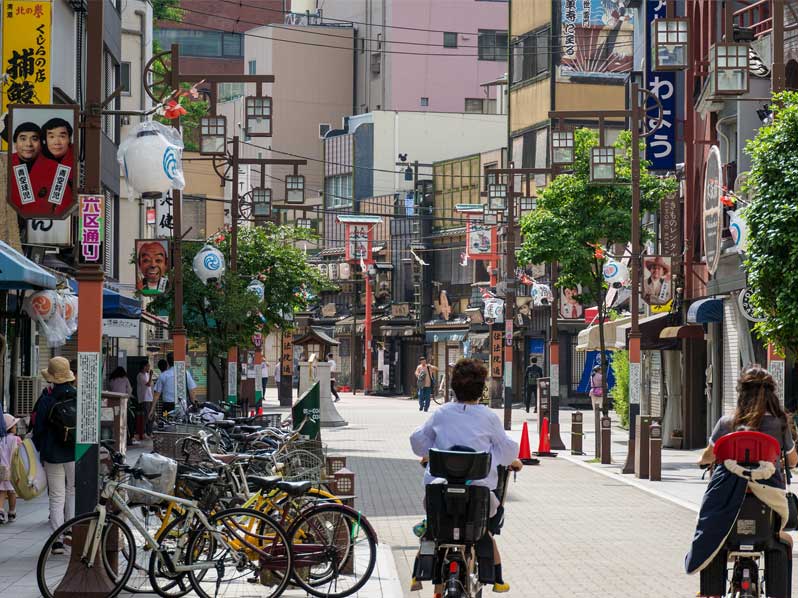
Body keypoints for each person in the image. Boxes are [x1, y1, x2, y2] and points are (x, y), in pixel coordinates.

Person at [410, 358, 523, 594]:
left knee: (435, 531)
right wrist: (506, 459)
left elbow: (418, 441)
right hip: (478, 498)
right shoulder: (488, 416)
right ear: (481, 389)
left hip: (439, 494)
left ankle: (430, 583)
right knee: (485, 532)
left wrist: (432, 453)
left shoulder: (442, 413)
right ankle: (495, 578)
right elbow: (507, 449)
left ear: (453, 388)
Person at [694, 365, 797, 597]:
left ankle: (709, 592)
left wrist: (700, 460)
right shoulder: (780, 423)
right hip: (769, 500)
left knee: (710, 538)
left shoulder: (726, 422)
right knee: (782, 542)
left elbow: (709, 455)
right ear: (772, 393)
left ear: (741, 393)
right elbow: (792, 460)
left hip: (727, 501)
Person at [32, 357, 77, 554]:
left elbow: (38, 429)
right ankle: (71, 530)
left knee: (56, 496)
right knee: (72, 490)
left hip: (52, 452)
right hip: (74, 451)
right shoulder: (77, 396)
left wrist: (39, 449)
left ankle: (57, 540)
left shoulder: (46, 399)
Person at [40, 117, 74, 207]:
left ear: (69, 139)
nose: (57, 142)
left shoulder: (78, 157)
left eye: (62, 136)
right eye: (51, 137)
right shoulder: (34, 158)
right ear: (45, 140)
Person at [0, 414, 22, 524]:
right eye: (15, 425)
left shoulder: (1, 439)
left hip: (2, 469)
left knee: (2, 491)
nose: (16, 427)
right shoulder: (16, 439)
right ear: (10, 427)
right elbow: (19, 453)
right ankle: (12, 512)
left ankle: (0, 510)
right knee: (12, 492)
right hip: (11, 470)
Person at [137, 362, 154, 438]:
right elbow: (148, 384)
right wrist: (150, 376)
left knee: (151, 415)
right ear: (144, 367)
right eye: (148, 366)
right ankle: (144, 432)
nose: (149, 368)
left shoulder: (147, 375)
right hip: (145, 398)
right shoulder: (140, 375)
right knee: (146, 416)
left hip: (150, 398)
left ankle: (149, 432)